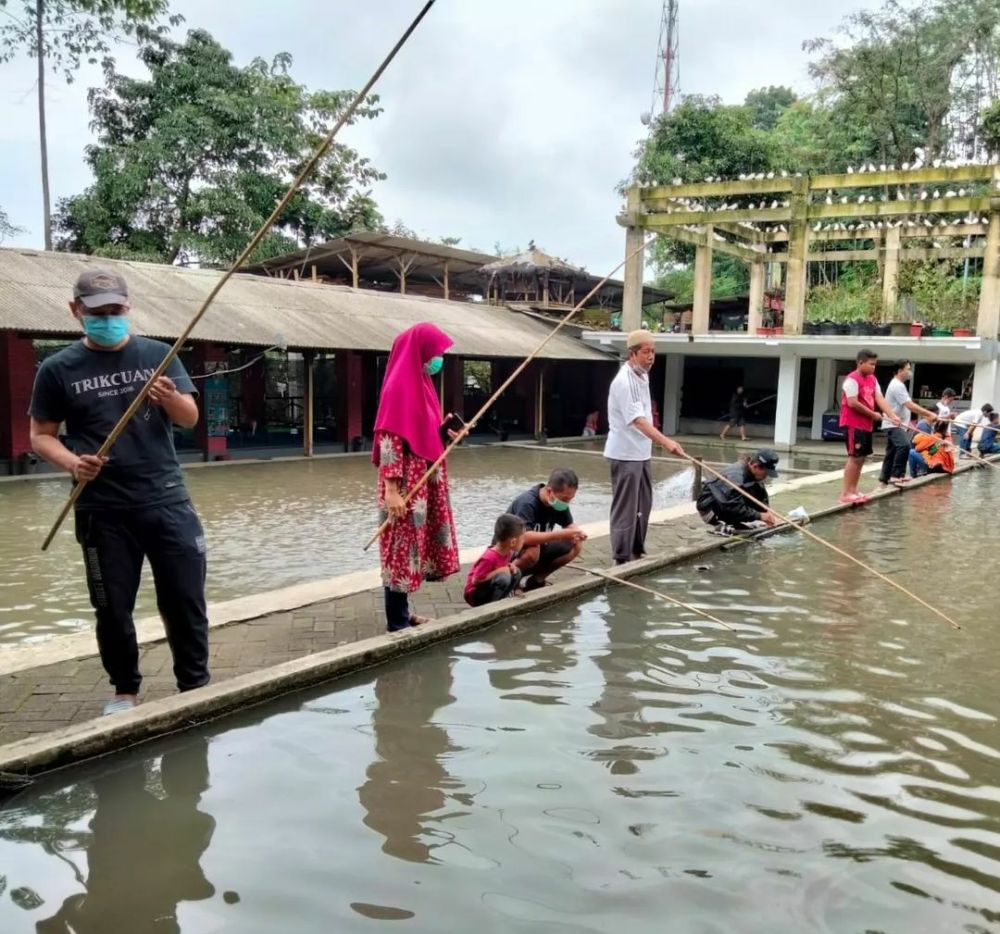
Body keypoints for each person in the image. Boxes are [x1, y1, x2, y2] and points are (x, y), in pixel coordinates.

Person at [28, 269, 209, 716]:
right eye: (97, 313)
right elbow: (40, 435)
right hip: (102, 509)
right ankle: (124, 690)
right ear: (77, 312)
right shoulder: (57, 369)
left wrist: (168, 399)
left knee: (185, 599)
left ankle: (195, 686)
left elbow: (190, 418)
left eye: (116, 311)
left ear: (128, 308)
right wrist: (73, 462)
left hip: (167, 499)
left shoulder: (159, 354)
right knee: (111, 608)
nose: (108, 319)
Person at [372, 323, 460, 632]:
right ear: (419, 350)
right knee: (400, 547)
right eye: (436, 353)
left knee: (413, 547)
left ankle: (405, 612)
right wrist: (392, 490)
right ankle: (396, 622)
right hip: (405, 482)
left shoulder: (422, 383)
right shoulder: (398, 387)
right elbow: (389, 439)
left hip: (424, 476)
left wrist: (446, 433)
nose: (438, 358)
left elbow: (423, 435)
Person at [604, 329, 685, 564]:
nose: (651, 357)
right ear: (632, 354)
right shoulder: (624, 381)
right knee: (626, 507)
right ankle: (621, 555)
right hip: (624, 453)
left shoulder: (642, 375)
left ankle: (637, 549)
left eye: (653, 351)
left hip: (641, 453)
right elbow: (638, 421)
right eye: (646, 352)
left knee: (644, 504)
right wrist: (667, 442)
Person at [838, 348, 901, 504]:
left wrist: (892, 415)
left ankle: (853, 490)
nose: (874, 368)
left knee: (862, 458)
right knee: (855, 457)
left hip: (865, 425)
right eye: (871, 364)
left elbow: (879, 398)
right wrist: (873, 415)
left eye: (875, 364)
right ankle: (846, 493)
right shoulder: (851, 380)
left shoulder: (872, 379)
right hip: (853, 423)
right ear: (861, 363)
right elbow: (853, 403)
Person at [508, 467, 587, 590]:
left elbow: (569, 524)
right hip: (511, 551)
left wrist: (578, 533)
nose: (567, 503)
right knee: (533, 550)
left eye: (570, 499)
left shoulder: (558, 503)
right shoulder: (527, 503)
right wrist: (562, 534)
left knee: (576, 544)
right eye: (565, 499)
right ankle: (511, 581)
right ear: (549, 491)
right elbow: (525, 537)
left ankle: (537, 580)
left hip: (540, 547)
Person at [878, 360, 939, 488]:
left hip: (896, 423)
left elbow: (906, 405)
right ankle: (897, 475)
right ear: (900, 371)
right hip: (893, 424)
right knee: (904, 446)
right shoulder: (897, 386)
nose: (910, 372)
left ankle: (885, 479)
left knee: (892, 452)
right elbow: (909, 405)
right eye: (908, 369)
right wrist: (928, 413)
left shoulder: (898, 384)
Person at [697, 449, 781, 533]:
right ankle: (723, 524)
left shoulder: (754, 474)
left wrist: (767, 511)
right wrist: (760, 516)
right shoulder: (734, 476)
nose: (766, 476)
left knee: (756, 489)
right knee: (747, 523)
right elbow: (732, 506)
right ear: (755, 466)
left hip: (731, 504)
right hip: (711, 509)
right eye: (765, 473)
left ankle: (738, 522)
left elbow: (761, 495)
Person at [464, 513, 525, 607]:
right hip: (474, 594)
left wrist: (509, 566)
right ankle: (492, 607)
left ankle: (502, 600)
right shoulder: (489, 557)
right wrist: (499, 571)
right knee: (504, 578)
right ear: (513, 542)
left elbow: (501, 564)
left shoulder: (509, 552)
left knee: (517, 572)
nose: (523, 541)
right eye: (522, 538)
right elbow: (476, 581)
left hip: (488, 586)